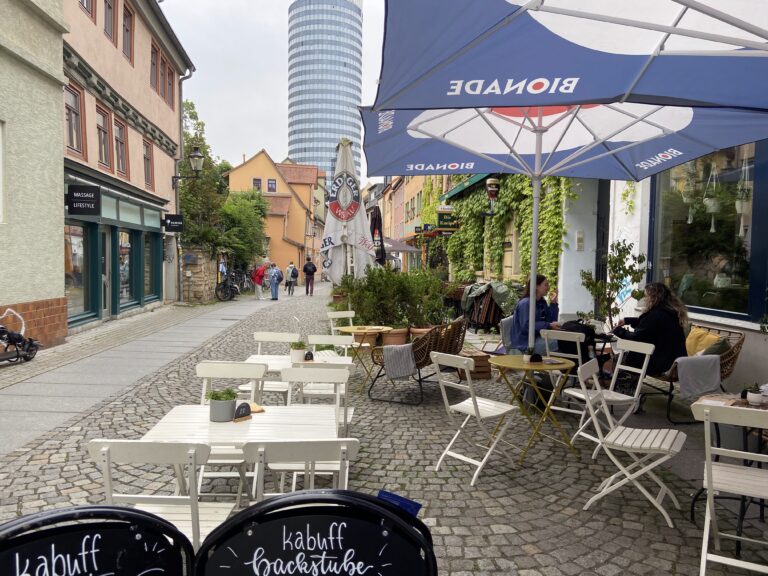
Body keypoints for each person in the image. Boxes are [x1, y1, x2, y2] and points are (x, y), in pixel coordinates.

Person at [612, 282, 688, 376]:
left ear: (653, 298)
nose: (644, 300)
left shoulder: (654, 315)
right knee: (636, 353)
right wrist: (627, 320)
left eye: (646, 296)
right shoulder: (671, 313)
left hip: (661, 363)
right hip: (675, 361)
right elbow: (650, 326)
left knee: (621, 358)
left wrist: (618, 331)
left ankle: (627, 388)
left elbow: (636, 338)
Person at [509, 275, 560, 354]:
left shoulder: (542, 302)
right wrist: (548, 325)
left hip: (539, 338)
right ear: (536, 286)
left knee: (566, 341)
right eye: (546, 285)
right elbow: (526, 326)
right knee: (563, 343)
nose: (548, 288)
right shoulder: (525, 303)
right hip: (525, 344)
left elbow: (550, 321)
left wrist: (553, 304)